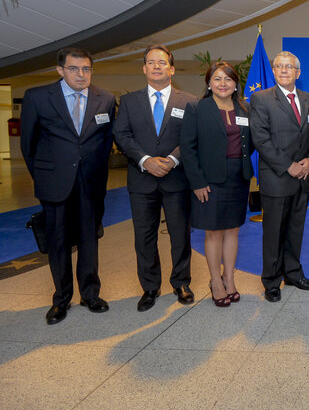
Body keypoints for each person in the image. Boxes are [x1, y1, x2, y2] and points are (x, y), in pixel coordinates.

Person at [21, 47, 116, 324]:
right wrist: (44, 177)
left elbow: (105, 141)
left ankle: (90, 294)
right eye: (74, 68)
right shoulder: (38, 97)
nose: (81, 74)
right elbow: (28, 145)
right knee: (59, 242)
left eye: (86, 69)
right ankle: (61, 300)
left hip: (91, 182)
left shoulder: (105, 99)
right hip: (55, 183)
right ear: (60, 70)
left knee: (89, 239)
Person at [114, 44, 197, 311]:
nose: (157, 66)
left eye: (162, 62)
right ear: (144, 69)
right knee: (144, 236)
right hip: (142, 180)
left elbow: (193, 138)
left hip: (177, 179)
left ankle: (181, 282)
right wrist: (145, 161)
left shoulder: (189, 101)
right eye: (151, 62)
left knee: (180, 235)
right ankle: (150, 287)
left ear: (171, 69)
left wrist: (172, 159)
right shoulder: (129, 102)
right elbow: (122, 135)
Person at [180, 61, 254, 307]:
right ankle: (216, 281)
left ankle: (229, 278)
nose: (223, 84)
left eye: (228, 79)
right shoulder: (198, 108)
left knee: (233, 230)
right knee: (214, 232)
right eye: (217, 79)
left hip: (238, 177)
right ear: (209, 83)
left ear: (235, 85)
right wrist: (197, 181)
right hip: (209, 180)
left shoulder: (244, 109)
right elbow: (188, 149)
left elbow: (250, 143)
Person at [250, 51, 309, 303]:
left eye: (290, 66)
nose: (285, 70)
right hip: (278, 176)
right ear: (274, 71)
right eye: (279, 66)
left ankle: (293, 273)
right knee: (274, 231)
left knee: (295, 229)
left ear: (298, 73)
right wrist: (288, 166)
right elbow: (261, 138)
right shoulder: (261, 98)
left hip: (303, 176)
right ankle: (271, 280)